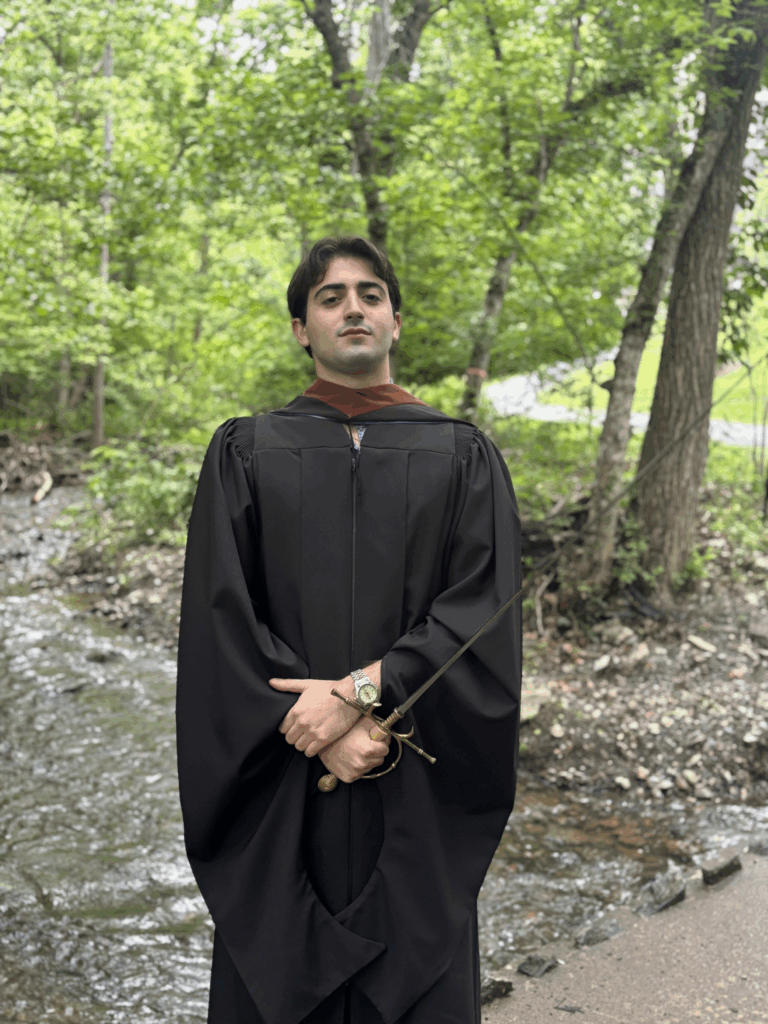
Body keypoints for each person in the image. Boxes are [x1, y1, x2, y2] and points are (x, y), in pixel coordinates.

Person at [176, 236, 522, 1024]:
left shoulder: (463, 455)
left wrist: (369, 694)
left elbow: (483, 613)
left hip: (416, 784)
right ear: (302, 328)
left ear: (397, 321)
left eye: (370, 294)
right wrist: (320, 728)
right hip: (282, 779)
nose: (353, 308)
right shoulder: (244, 450)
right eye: (330, 298)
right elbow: (220, 620)